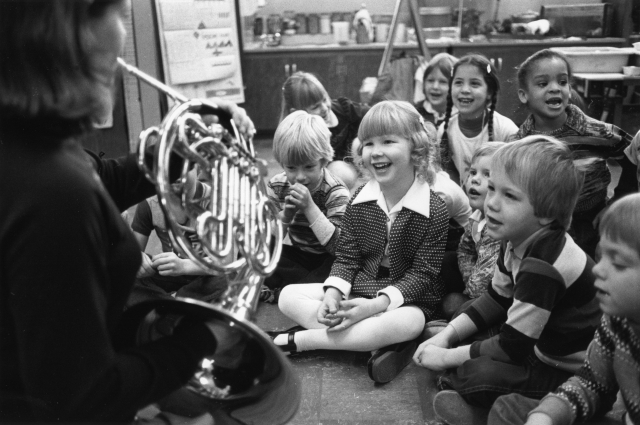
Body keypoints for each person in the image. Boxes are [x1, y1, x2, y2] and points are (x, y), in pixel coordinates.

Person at [0, 1, 256, 423]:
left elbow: (105, 177)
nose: (119, 69)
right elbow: (83, 396)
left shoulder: (30, 140)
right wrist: (207, 337)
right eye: (106, 65)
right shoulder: (52, 190)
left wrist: (186, 142)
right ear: (59, 43)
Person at [413, 136, 602, 424]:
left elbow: (511, 347)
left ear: (547, 213)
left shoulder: (544, 265)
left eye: (510, 196)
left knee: (475, 374)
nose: (492, 204)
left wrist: (444, 357)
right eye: (492, 189)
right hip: (536, 347)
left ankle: (502, 409)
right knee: (468, 316)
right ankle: (465, 375)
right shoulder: (515, 237)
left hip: (569, 371)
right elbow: (496, 298)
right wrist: (447, 336)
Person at [273, 100, 449, 384]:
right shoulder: (359, 200)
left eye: (388, 141)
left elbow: (423, 275)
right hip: (359, 289)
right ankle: (370, 340)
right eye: (368, 143)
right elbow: (346, 258)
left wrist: (373, 307)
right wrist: (333, 295)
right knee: (287, 296)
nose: (376, 151)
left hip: (405, 302)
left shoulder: (435, 210)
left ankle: (301, 340)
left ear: (416, 148)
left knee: (411, 322)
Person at [488, 193, 640, 425]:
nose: (598, 270)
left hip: (551, 366)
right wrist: (546, 415)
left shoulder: (545, 263)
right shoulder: (616, 320)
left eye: (618, 263)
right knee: (509, 408)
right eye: (601, 256)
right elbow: (592, 383)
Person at [514, 48, 636, 260]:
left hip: (591, 222)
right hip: (542, 226)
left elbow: (633, 155)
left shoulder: (596, 131)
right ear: (524, 95)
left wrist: (617, 204)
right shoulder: (520, 143)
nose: (555, 89)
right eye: (543, 84)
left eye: (562, 82)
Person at [262, 110, 350, 303]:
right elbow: (270, 239)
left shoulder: (335, 191)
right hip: (297, 256)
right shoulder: (277, 186)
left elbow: (339, 247)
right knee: (255, 246)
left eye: (309, 167)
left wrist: (310, 208)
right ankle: (298, 290)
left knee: (345, 266)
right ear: (281, 164)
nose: (300, 177)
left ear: (324, 161)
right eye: (291, 168)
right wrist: (286, 216)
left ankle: (286, 290)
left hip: (326, 258)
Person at [128, 168, 227, 306]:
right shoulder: (150, 203)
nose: (175, 172)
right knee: (128, 275)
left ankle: (166, 303)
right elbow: (134, 253)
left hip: (206, 274)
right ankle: (179, 303)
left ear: (198, 169)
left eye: (184, 165)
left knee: (228, 276)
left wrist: (184, 266)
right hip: (170, 272)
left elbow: (225, 261)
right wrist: (139, 260)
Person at [440, 142, 504, 320]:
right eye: (473, 172)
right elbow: (465, 248)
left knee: (452, 304)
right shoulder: (476, 216)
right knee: (447, 260)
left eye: (487, 174)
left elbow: (486, 277)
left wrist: (469, 291)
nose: (474, 179)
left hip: (496, 293)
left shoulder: (498, 223)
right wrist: (469, 275)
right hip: (476, 279)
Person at [280, 71, 371, 191]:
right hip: (332, 174)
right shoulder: (300, 135)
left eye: (324, 99)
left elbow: (372, 113)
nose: (324, 108)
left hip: (357, 163)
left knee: (362, 142)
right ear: (296, 112)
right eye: (315, 107)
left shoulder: (343, 108)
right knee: (341, 174)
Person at [438, 54, 518, 185]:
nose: (465, 90)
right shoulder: (445, 130)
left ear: (490, 92)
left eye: (474, 84)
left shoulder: (506, 130)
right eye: (458, 83)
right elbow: (448, 178)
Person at [415, 52, 458, 126]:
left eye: (443, 82)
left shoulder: (461, 116)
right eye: (430, 80)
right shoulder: (415, 112)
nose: (435, 86)